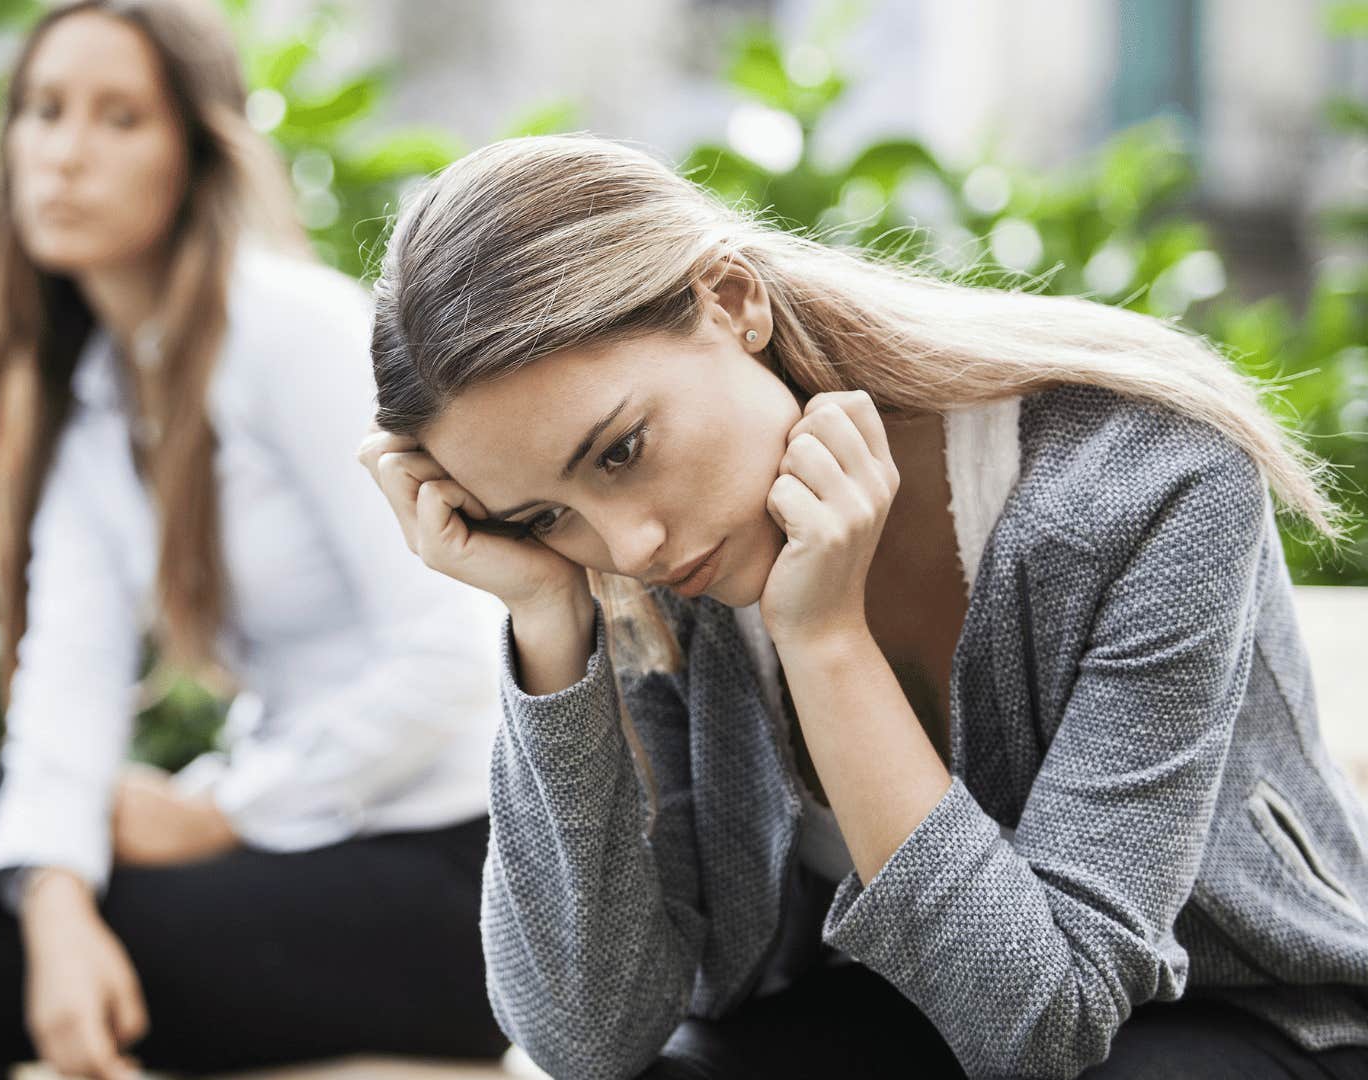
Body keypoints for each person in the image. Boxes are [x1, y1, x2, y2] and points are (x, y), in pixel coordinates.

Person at [359, 134, 1368, 1080]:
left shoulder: (1147, 478)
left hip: (1236, 1020)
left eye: (621, 451)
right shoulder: (642, 572)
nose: (628, 548)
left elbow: (1040, 1027)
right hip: (889, 1017)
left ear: (730, 299)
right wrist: (546, 624)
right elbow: (586, 1037)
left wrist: (825, 641)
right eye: (542, 515)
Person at [0, 3, 508, 1077]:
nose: (66, 153)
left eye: (120, 118)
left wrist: (225, 809)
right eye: (43, 111)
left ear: (195, 154)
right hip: (294, 846)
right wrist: (56, 900)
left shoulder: (292, 326)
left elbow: (462, 651)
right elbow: (65, 686)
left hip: (444, 878)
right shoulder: (99, 395)